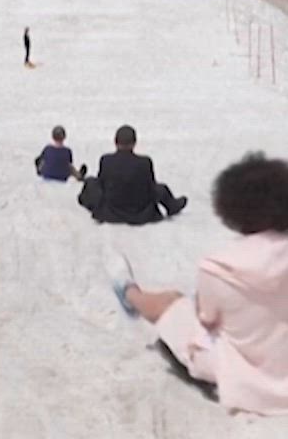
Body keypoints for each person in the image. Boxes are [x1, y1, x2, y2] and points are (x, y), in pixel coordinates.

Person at [109, 152, 288, 415]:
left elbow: (207, 320)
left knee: (173, 304)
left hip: (244, 375)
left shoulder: (220, 266)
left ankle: (129, 292)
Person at [78, 125, 187, 224]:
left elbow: (102, 184)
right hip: (141, 213)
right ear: (134, 143)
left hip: (111, 212)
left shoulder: (106, 160)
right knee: (161, 188)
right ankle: (172, 206)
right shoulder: (145, 162)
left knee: (91, 182)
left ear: (115, 142)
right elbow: (151, 187)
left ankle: (87, 202)